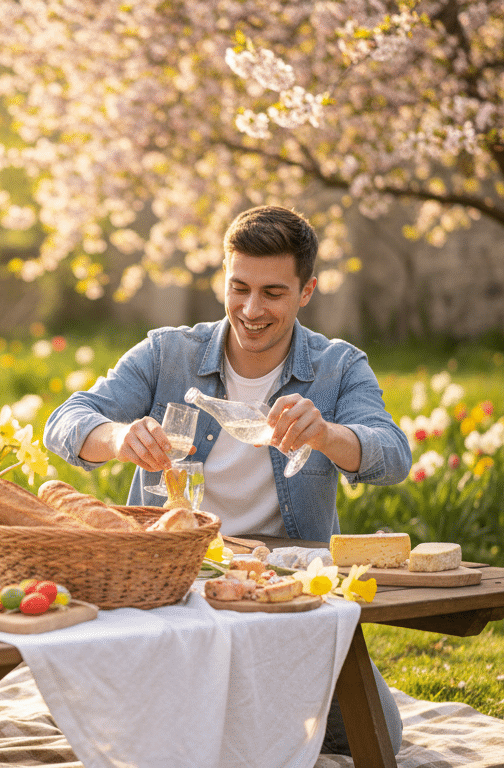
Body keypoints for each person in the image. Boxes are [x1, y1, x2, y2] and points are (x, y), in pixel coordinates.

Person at [42, 204, 411, 755]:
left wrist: (328, 434)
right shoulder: (169, 352)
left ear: (306, 291)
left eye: (273, 293)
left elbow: (394, 454)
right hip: (172, 588)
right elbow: (65, 422)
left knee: (375, 731)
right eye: (238, 287)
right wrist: (118, 438)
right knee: (148, 733)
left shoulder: (338, 366)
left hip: (278, 597)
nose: (250, 309)